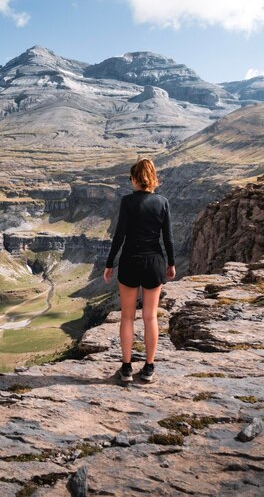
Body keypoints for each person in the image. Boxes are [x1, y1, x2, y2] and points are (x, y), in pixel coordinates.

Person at [103, 158, 176, 383]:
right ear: (153, 178)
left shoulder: (127, 202)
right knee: (150, 316)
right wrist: (171, 264)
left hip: (130, 261)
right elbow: (168, 238)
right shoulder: (163, 202)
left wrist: (109, 264)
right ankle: (149, 368)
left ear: (134, 179)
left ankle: (126, 369)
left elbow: (119, 236)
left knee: (127, 317)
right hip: (154, 261)